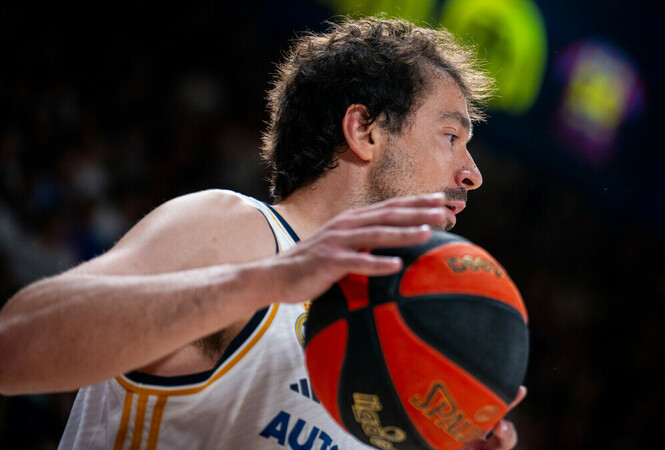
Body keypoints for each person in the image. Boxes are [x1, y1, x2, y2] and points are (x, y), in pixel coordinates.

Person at [0, 16, 526, 449]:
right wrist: (265, 280)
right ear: (364, 131)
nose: (472, 174)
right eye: (450, 136)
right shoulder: (242, 233)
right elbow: (12, 346)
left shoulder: (393, 347)